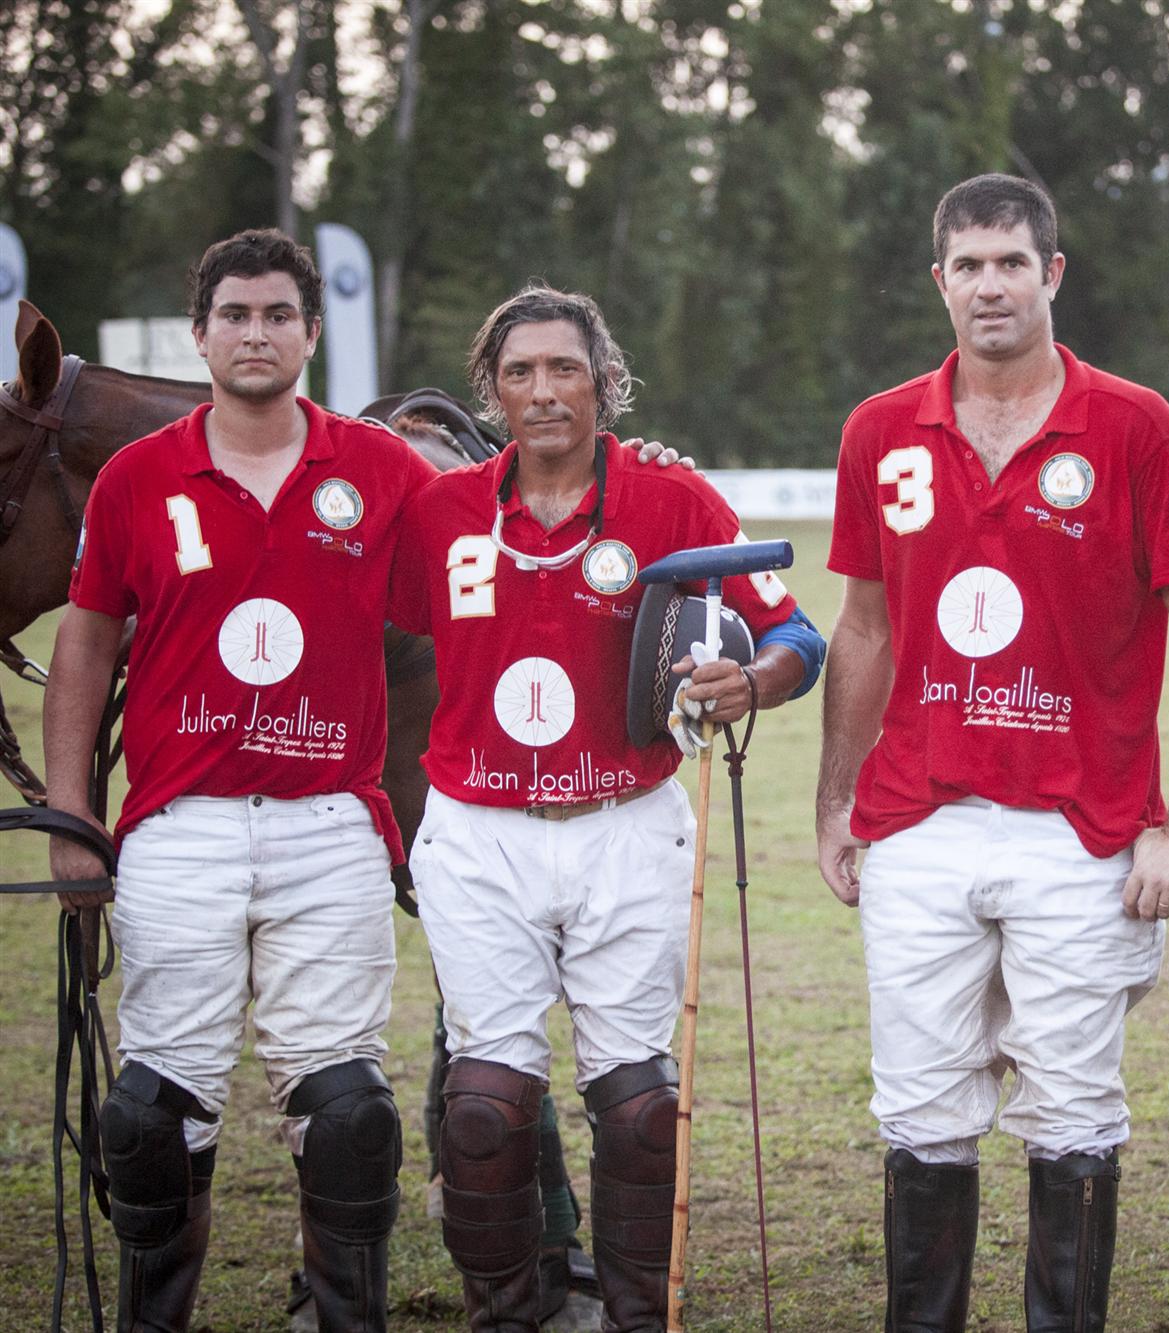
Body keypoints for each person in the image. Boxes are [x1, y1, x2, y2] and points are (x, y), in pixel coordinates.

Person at [814, 173, 1169, 1332]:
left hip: (1083, 828)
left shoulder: (1137, 426)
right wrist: (833, 802)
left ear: (1051, 275)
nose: (990, 284)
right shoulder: (878, 430)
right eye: (968, 265)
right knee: (918, 1110)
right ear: (939, 283)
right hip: (914, 822)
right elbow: (861, 628)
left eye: (1012, 262)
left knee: (1071, 1112)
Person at [389, 284, 823, 1331]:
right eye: (521, 372)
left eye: (566, 369)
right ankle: (511, 1311)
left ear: (604, 384)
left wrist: (749, 682)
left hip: (627, 822)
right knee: (485, 1105)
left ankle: (634, 1314)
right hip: (479, 830)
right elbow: (363, 632)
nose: (544, 392)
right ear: (492, 391)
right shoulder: (440, 513)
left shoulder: (670, 499)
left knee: (636, 1107)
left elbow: (797, 632)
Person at [43, 229, 433, 1332]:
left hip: (331, 825)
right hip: (180, 825)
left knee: (347, 1109)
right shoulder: (137, 475)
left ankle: (347, 1317)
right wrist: (71, 812)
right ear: (200, 333)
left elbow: (478, 575)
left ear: (309, 332)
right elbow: (84, 643)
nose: (255, 333)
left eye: (276, 315)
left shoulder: (379, 468)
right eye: (235, 315)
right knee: (154, 1112)